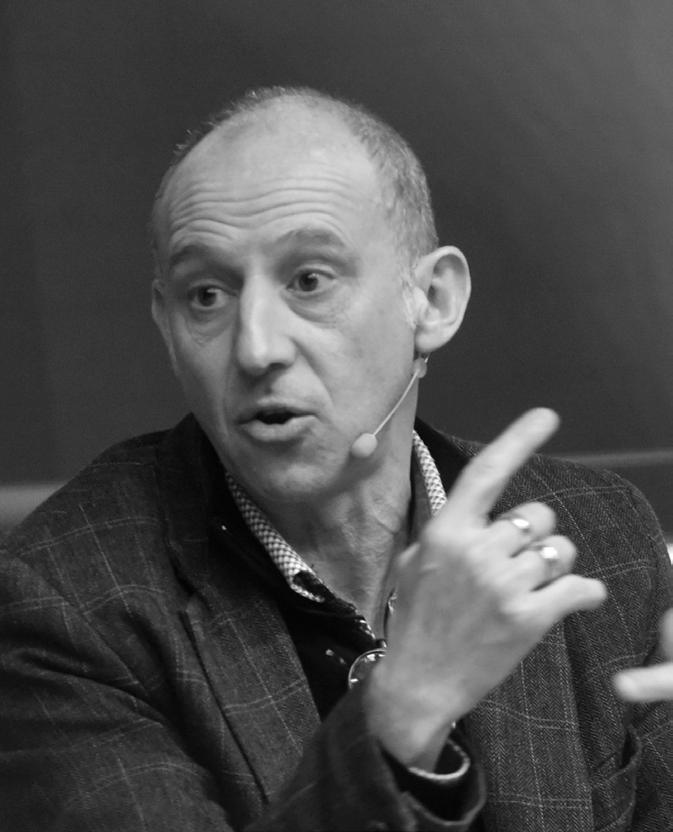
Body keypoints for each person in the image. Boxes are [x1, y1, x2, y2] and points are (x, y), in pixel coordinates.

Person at [1, 86, 672, 831]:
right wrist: (402, 710)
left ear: (433, 300)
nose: (256, 348)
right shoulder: (66, 601)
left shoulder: (601, 535)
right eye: (207, 295)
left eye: (309, 280)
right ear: (167, 326)